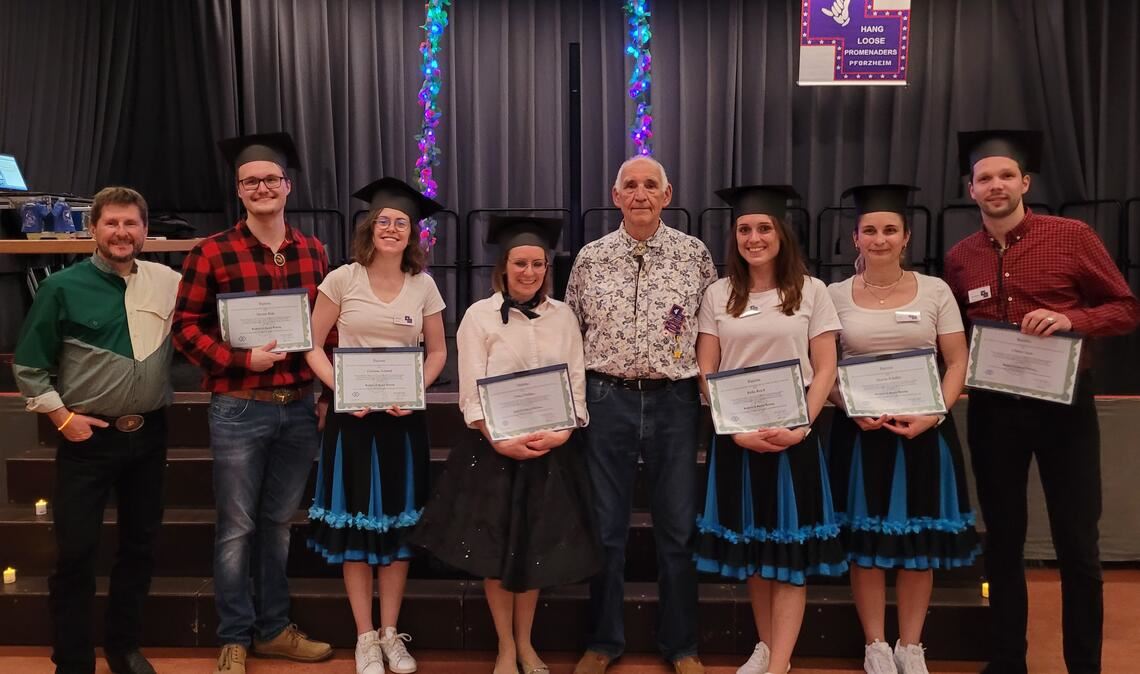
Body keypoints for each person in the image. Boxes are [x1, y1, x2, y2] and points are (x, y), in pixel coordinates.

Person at [945, 130, 1140, 674]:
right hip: (993, 409)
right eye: (985, 178)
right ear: (972, 189)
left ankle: (1085, 666)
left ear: (1024, 183)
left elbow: (1125, 308)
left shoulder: (1071, 235)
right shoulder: (961, 258)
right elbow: (954, 333)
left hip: (1064, 408)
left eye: (1006, 175)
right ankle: (1008, 662)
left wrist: (1072, 320)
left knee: (1077, 544)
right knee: (1003, 543)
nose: (996, 185)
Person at [172, 132, 333, 674]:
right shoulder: (210, 251)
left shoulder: (314, 252)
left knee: (278, 524)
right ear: (239, 191)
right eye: (250, 181)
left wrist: (330, 391)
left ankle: (274, 629)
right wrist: (242, 361)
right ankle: (235, 634)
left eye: (271, 179)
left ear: (288, 186)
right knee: (237, 526)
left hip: (299, 407)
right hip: (239, 406)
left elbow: (325, 336)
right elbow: (185, 329)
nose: (262, 187)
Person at [411, 215, 600, 674]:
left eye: (538, 263)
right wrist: (499, 439)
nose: (529, 271)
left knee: (533, 551)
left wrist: (564, 429)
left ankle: (527, 643)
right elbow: (472, 389)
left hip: (550, 451)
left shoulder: (565, 317)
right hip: (493, 451)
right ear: (504, 265)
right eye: (521, 263)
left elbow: (576, 381)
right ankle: (505, 648)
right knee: (497, 555)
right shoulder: (478, 316)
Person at [13, 187, 181, 674]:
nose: (122, 233)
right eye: (112, 223)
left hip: (149, 437)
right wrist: (62, 418)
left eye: (131, 224)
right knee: (77, 553)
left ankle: (124, 648)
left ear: (145, 231)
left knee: (139, 546)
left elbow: (209, 322)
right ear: (93, 229)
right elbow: (29, 365)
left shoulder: (168, 281)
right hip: (87, 439)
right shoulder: (61, 287)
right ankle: (72, 659)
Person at [565, 156, 717, 674]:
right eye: (630, 185)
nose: (640, 194)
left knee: (676, 529)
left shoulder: (694, 256)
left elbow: (710, 332)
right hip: (607, 399)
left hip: (674, 401)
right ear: (615, 195)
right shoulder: (590, 258)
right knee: (606, 529)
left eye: (650, 185)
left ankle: (682, 646)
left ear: (668, 193)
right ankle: (603, 641)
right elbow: (571, 333)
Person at [693, 185, 846, 674]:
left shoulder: (812, 291)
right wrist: (733, 429)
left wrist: (802, 424)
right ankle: (764, 645)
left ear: (781, 234)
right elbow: (706, 369)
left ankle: (779, 663)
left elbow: (825, 367)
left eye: (763, 228)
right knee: (754, 550)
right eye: (744, 229)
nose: (753, 238)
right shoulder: (718, 294)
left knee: (790, 552)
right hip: (737, 437)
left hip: (794, 437)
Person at [827, 184, 979, 674]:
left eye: (890, 229)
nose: (879, 238)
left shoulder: (935, 291)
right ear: (855, 238)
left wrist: (935, 413)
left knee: (919, 545)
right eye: (869, 230)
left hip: (924, 430)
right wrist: (846, 405)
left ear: (906, 236)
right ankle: (875, 643)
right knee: (866, 544)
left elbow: (956, 361)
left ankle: (911, 646)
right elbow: (823, 368)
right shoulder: (831, 295)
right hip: (861, 432)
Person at [304, 177, 447, 674]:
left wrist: (418, 392)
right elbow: (312, 344)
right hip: (355, 421)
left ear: (412, 234)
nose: (391, 228)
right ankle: (364, 637)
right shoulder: (343, 279)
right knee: (359, 530)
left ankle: (391, 634)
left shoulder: (423, 285)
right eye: (383, 221)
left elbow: (439, 351)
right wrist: (342, 390)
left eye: (400, 222)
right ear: (371, 227)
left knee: (399, 528)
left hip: (403, 423)